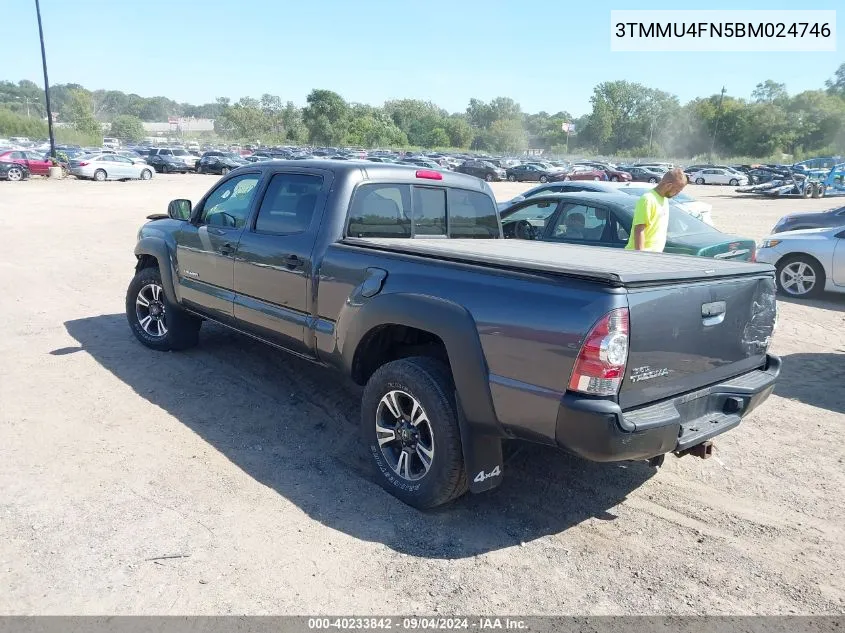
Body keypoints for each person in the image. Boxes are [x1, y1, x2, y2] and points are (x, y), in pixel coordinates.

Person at [626, 167, 687, 252]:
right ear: (668, 185)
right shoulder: (647, 199)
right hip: (643, 257)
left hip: (655, 257)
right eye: (676, 190)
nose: (677, 194)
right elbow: (639, 230)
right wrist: (640, 258)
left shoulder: (664, 199)